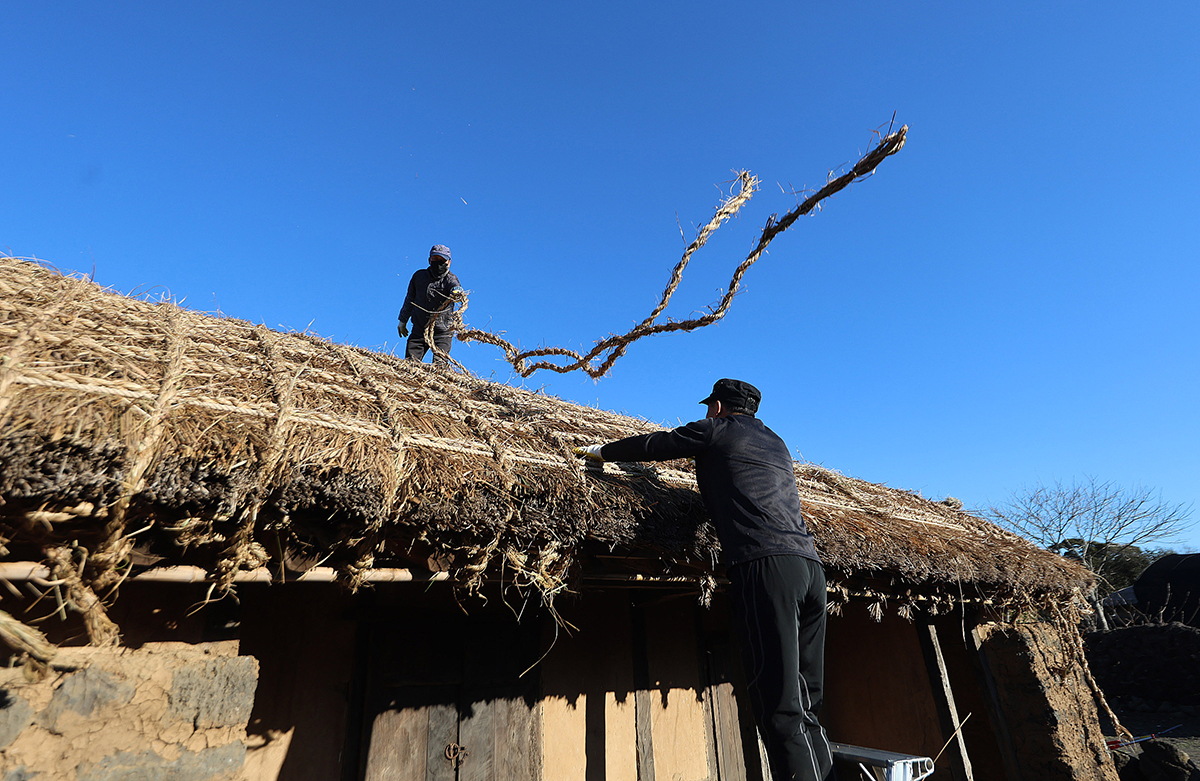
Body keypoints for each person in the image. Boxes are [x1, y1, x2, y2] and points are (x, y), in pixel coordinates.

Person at [575, 379, 835, 781]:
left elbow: (658, 445)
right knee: (806, 705)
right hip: (811, 570)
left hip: (765, 568)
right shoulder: (776, 444)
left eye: (709, 407)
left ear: (716, 406)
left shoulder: (715, 430)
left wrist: (603, 451)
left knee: (778, 707)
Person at [398, 244, 464, 364]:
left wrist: (457, 292)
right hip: (419, 330)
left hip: (443, 332)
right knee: (409, 365)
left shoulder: (451, 279)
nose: (438, 263)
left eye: (442, 260)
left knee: (440, 369)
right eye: (435, 259)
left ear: (448, 262)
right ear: (429, 260)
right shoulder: (419, 277)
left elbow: (456, 288)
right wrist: (403, 320)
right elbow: (410, 299)